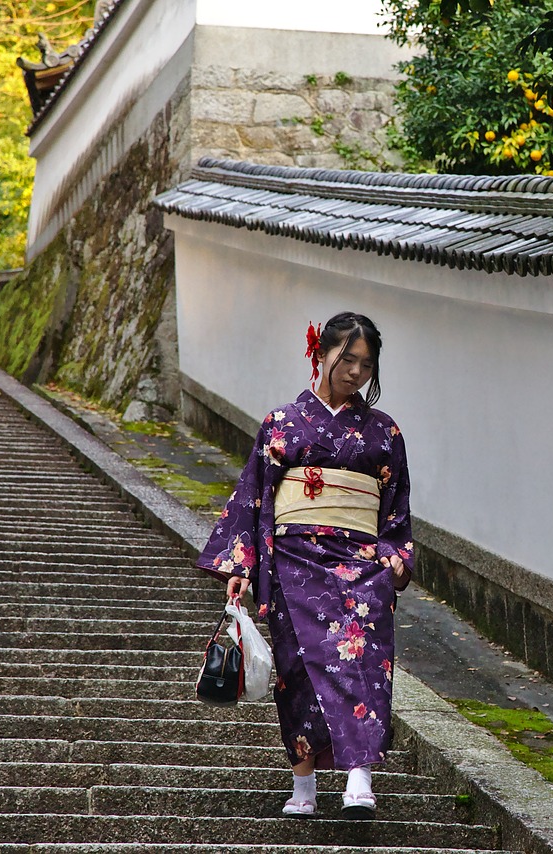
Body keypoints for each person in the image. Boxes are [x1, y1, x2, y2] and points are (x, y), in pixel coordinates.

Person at [197, 311, 414, 820]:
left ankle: (359, 775)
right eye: (347, 358)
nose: (356, 371)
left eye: (366, 364)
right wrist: (241, 566)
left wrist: (392, 560)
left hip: (361, 566)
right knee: (297, 671)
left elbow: (396, 507)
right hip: (294, 563)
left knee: (360, 662)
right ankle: (304, 781)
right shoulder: (281, 423)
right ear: (319, 354)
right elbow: (254, 498)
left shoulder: (385, 432)